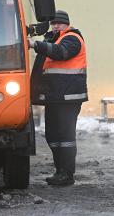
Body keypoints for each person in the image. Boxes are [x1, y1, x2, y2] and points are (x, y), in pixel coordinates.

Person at [29, 10, 88, 186]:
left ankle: (67, 174)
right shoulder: (54, 38)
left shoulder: (72, 38)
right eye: (53, 23)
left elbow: (60, 53)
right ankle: (59, 170)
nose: (55, 26)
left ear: (66, 24)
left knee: (65, 136)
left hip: (68, 97)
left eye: (59, 23)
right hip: (55, 96)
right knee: (53, 135)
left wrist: (35, 44)